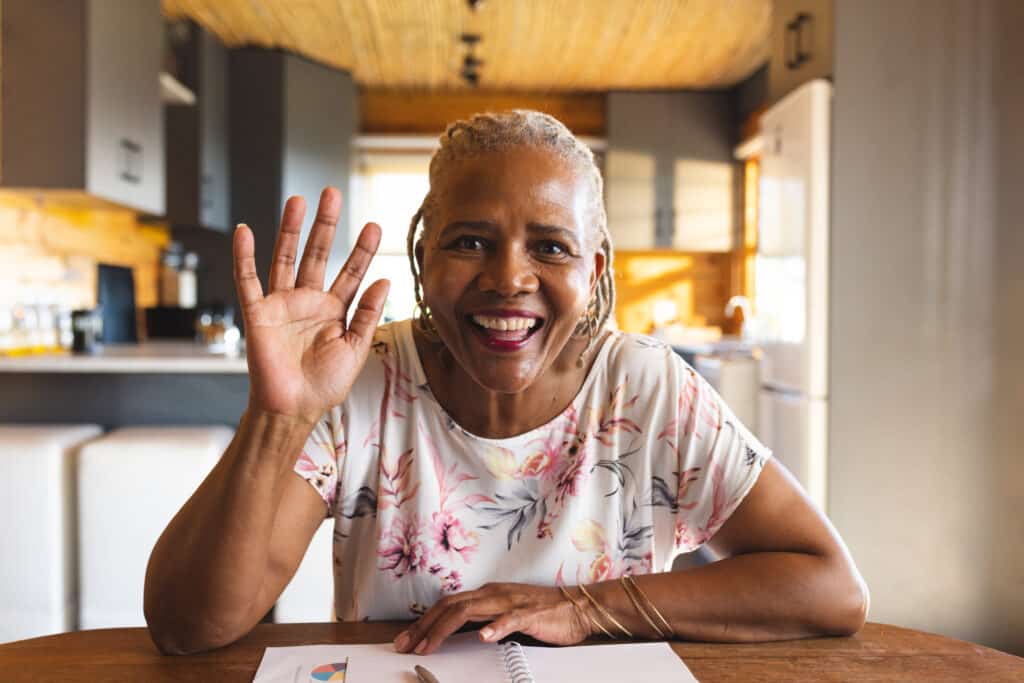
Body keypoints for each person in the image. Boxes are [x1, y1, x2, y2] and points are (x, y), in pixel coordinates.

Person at [144, 111, 868, 656]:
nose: (509, 279)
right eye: (469, 241)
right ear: (424, 258)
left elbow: (830, 584)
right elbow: (189, 625)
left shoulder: (647, 389)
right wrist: (277, 417)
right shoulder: (364, 380)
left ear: (596, 271)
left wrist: (584, 606)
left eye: (550, 246)